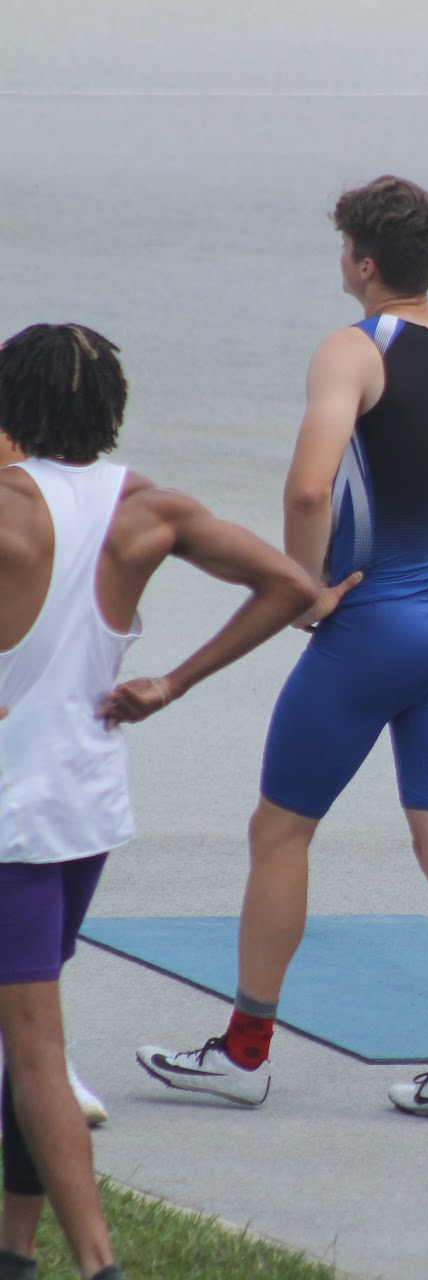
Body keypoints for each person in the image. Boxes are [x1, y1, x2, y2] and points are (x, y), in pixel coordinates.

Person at [137, 175, 428, 1121]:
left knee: (280, 831)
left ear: (363, 263)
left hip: (369, 628)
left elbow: (312, 489)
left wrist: (308, 591)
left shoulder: (354, 351)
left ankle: (243, 1056)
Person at [0, 323, 315, 1280]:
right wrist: (169, 683)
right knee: (25, 1042)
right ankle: (14, 1251)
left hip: (8, 819)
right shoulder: (149, 508)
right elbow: (291, 584)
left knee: (37, 1049)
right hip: (84, 813)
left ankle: (98, 1264)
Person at [0, 427, 111, 1134]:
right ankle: (36, 1061)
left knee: (46, 936)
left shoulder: (86, 498)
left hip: (63, 767)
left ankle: (34, 1056)